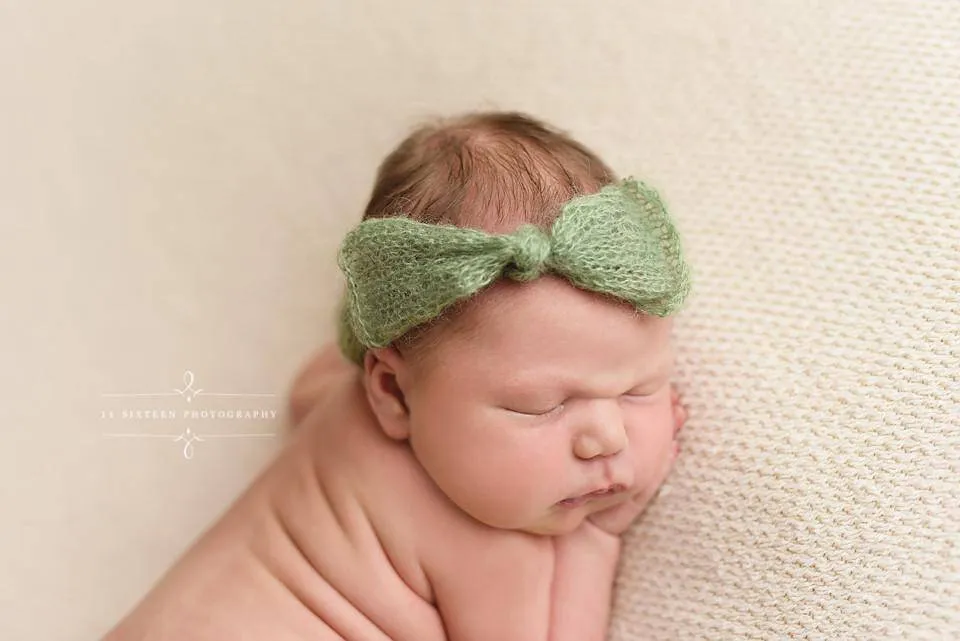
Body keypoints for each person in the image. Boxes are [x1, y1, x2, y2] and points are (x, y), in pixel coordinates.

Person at [102, 111, 692, 641]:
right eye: (539, 406)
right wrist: (601, 533)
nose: (607, 438)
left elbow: (305, 389)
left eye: (639, 390)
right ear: (389, 390)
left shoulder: (345, 395)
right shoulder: (501, 537)